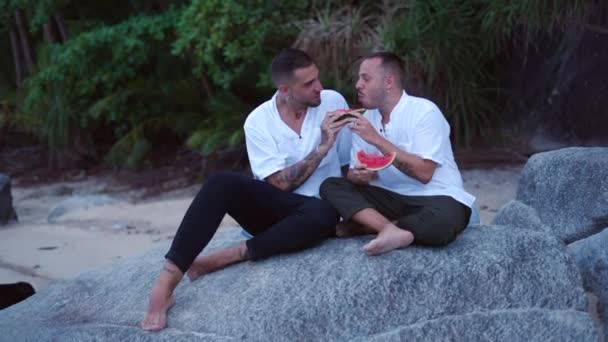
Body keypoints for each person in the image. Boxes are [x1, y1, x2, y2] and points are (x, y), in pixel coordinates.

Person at [140, 48, 354, 331]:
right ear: (285, 90)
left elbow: (347, 165)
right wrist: (323, 146)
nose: (320, 88)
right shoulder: (258, 121)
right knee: (221, 182)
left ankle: (229, 255)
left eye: (318, 79)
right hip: (276, 210)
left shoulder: (333, 101)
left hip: (319, 214)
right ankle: (167, 281)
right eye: (309, 84)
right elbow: (278, 183)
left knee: (324, 211)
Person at [320, 52, 475, 256]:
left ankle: (370, 226)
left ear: (388, 82)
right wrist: (357, 176)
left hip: (438, 197)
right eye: (359, 78)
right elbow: (354, 175)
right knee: (331, 186)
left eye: (365, 78)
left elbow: (424, 174)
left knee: (444, 221)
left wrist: (376, 139)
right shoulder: (364, 120)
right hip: (393, 198)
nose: (358, 84)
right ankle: (389, 229)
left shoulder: (425, 112)